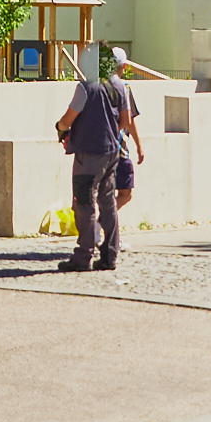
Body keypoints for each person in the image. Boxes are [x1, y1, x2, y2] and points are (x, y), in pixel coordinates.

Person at [53, 43, 137, 271]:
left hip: (88, 153)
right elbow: (125, 121)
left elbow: (67, 120)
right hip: (112, 152)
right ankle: (110, 256)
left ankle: (83, 256)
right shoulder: (119, 86)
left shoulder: (86, 87)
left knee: (84, 203)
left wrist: (60, 127)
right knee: (108, 202)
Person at [110, 47, 147, 223]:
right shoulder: (124, 87)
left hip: (98, 149)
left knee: (105, 193)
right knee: (125, 193)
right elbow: (129, 120)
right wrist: (139, 146)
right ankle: (100, 225)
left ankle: (106, 232)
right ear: (124, 66)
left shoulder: (98, 86)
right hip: (118, 150)